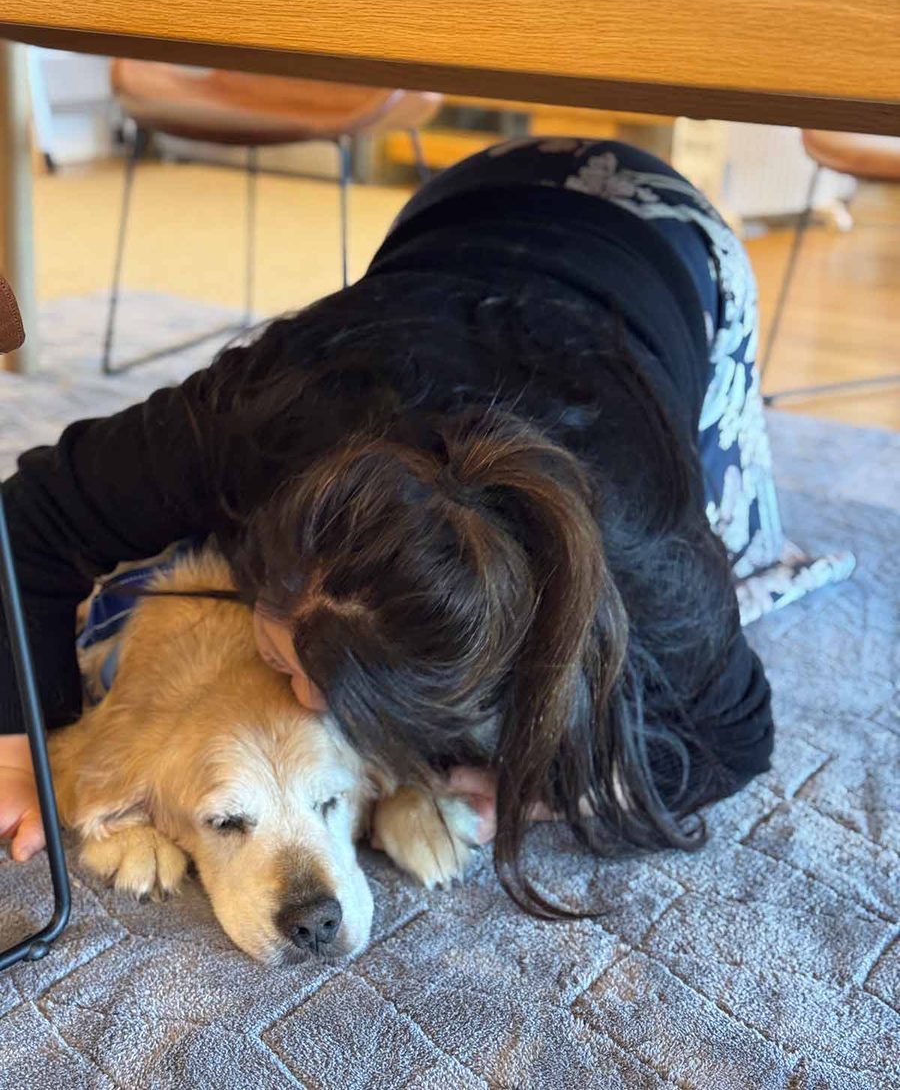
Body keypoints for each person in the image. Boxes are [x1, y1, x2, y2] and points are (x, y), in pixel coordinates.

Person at [1, 139, 783, 916]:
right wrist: (19, 744)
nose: (304, 699)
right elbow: (27, 517)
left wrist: (533, 787)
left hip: (671, 239)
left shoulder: (646, 560)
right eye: (280, 656)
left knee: (746, 554)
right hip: (470, 198)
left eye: (330, 686)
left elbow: (736, 741)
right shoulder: (260, 414)